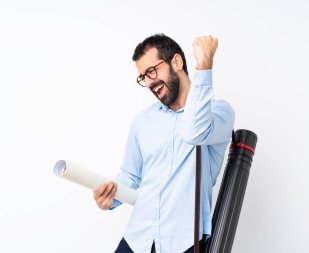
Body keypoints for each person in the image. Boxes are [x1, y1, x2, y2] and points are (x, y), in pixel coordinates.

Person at [93, 34, 234, 253]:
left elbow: (194, 132)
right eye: (143, 77)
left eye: (151, 71)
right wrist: (110, 197)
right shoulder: (143, 122)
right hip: (137, 239)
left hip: (184, 242)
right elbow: (130, 175)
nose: (149, 82)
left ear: (176, 62)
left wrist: (204, 67)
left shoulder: (218, 113)